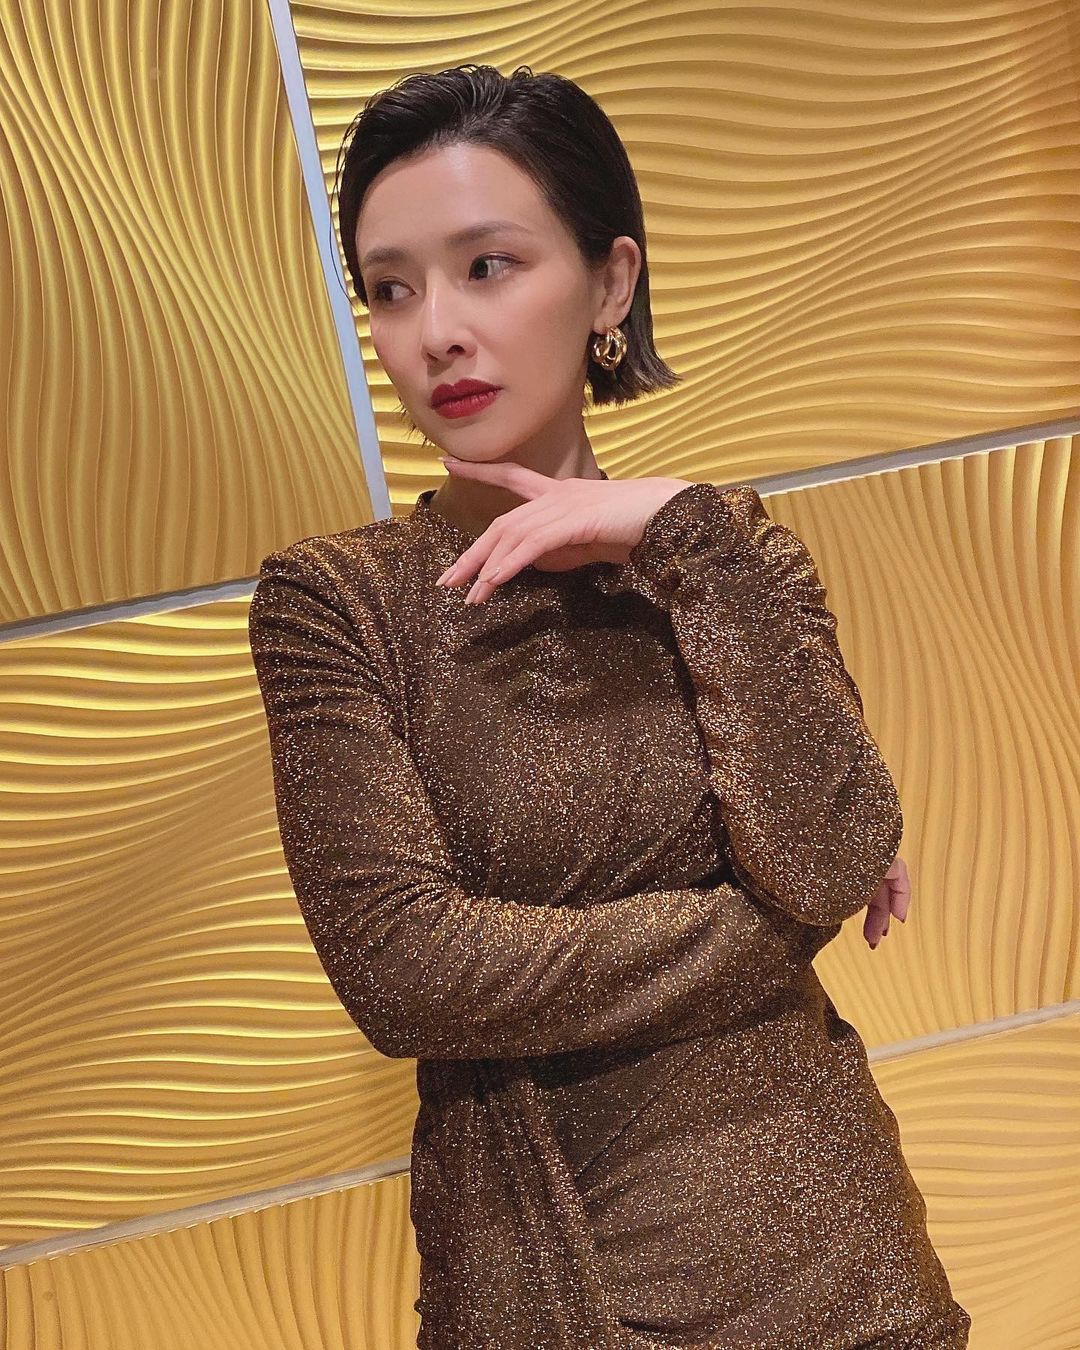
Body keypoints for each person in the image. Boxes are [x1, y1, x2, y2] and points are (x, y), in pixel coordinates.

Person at [248, 63, 972, 1348]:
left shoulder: (729, 552)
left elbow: (829, 853)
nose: (435, 332)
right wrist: (770, 931)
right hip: (552, 1285)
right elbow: (406, 972)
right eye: (391, 288)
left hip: (845, 1272)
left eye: (488, 266)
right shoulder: (339, 604)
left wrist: (684, 540)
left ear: (610, 284)